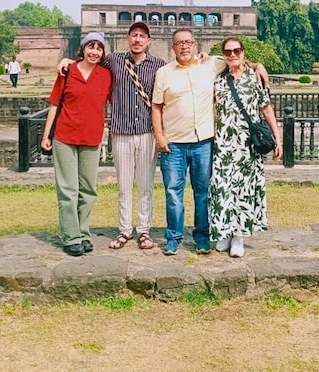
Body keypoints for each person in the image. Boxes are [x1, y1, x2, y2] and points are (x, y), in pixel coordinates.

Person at [151, 28, 269, 256]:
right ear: (173, 47)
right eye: (179, 43)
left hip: (202, 142)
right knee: (173, 192)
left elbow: (235, 59)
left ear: (195, 45)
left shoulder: (210, 65)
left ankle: (202, 237)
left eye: (188, 42)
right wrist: (159, 135)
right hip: (173, 142)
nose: (184, 46)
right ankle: (174, 237)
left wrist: (257, 66)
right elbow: (156, 106)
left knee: (202, 192)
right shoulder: (164, 73)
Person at [57, 22, 166, 250]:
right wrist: (67, 60)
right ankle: (125, 230)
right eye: (134, 35)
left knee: (146, 185)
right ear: (128, 38)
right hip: (121, 131)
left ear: (149, 41)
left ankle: (144, 230)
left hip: (147, 131)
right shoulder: (115, 60)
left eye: (142, 36)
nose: (137, 39)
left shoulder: (159, 66)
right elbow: (89, 60)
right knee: (124, 185)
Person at [41, 32, 112, 257]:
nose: (94, 52)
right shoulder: (67, 71)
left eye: (99, 48)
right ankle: (71, 237)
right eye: (90, 47)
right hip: (65, 136)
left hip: (91, 137)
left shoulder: (105, 75)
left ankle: (83, 233)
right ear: (83, 49)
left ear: (103, 53)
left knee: (89, 189)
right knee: (68, 189)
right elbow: (54, 104)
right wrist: (46, 136)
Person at [209, 37, 281, 258]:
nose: (233, 55)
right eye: (228, 52)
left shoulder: (254, 78)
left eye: (237, 50)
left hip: (247, 145)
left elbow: (266, 109)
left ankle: (239, 235)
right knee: (222, 189)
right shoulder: (218, 80)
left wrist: (278, 139)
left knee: (243, 190)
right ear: (223, 54)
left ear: (243, 52)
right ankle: (225, 232)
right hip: (223, 144)